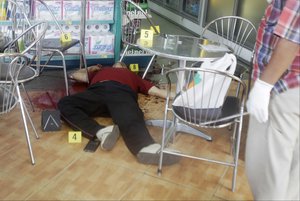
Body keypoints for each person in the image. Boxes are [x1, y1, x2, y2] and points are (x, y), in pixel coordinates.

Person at [58, 62, 179, 165]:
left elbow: (156, 92)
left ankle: (145, 147)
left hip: (120, 91)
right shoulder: (99, 72)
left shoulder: (132, 75)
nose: (118, 63)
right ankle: (101, 132)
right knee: (65, 103)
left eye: (121, 63)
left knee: (131, 114)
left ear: (125, 68)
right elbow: (74, 75)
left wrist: (182, 97)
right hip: (96, 92)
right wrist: (91, 68)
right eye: (117, 63)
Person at [245, 0, 299, 200]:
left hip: (284, 87)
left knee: (266, 173)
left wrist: (263, 86)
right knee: (293, 176)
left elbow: (293, 36)